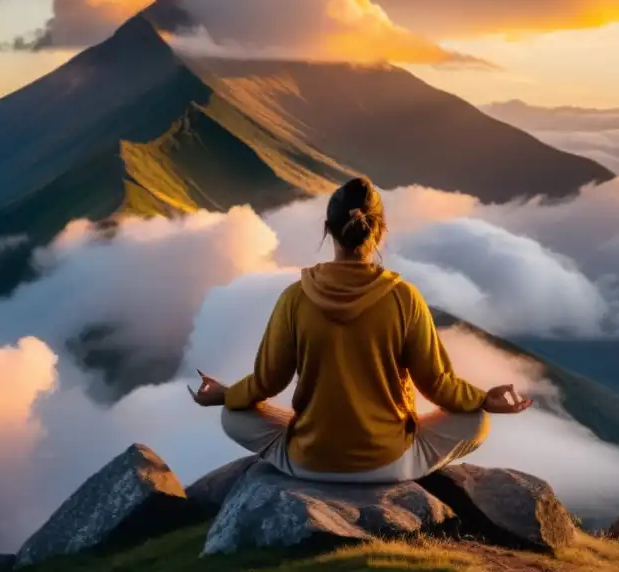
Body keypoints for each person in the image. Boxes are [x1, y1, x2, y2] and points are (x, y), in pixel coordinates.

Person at [188, 176, 532, 483]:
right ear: (379, 230)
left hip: (310, 461)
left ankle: (304, 450)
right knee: (477, 423)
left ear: (327, 229)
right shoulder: (403, 298)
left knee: (233, 417)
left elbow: (267, 382)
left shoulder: (295, 297)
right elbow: (438, 385)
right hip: (390, 462)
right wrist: (484, 400)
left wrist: (226, 395)